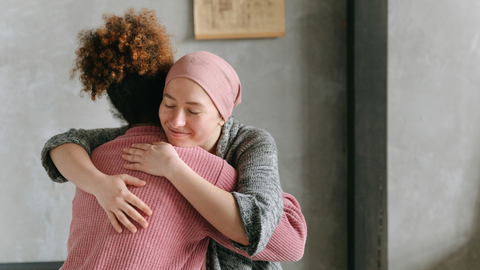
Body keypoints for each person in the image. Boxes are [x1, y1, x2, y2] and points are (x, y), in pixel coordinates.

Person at [42, 9, 306, 270]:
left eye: (193, 111)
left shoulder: (249, 143)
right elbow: (65, 142)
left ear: (221, 116)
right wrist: (101, 185)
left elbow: (272, 231)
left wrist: (174, 168)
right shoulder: (144, 143)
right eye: (168, 104)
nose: (177, 121)